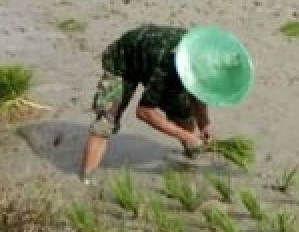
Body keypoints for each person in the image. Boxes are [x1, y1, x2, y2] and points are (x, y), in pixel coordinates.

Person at [78, 25, 254, 184]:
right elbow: (145, 111)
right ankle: (85, 179)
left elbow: (196, 92)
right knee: (105, 123)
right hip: (124, 62)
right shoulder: (169, 65)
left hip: (159, 64)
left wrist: (205, 125)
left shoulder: (201, 57)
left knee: (184, 117)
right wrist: (186, 137)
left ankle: (192, 158)